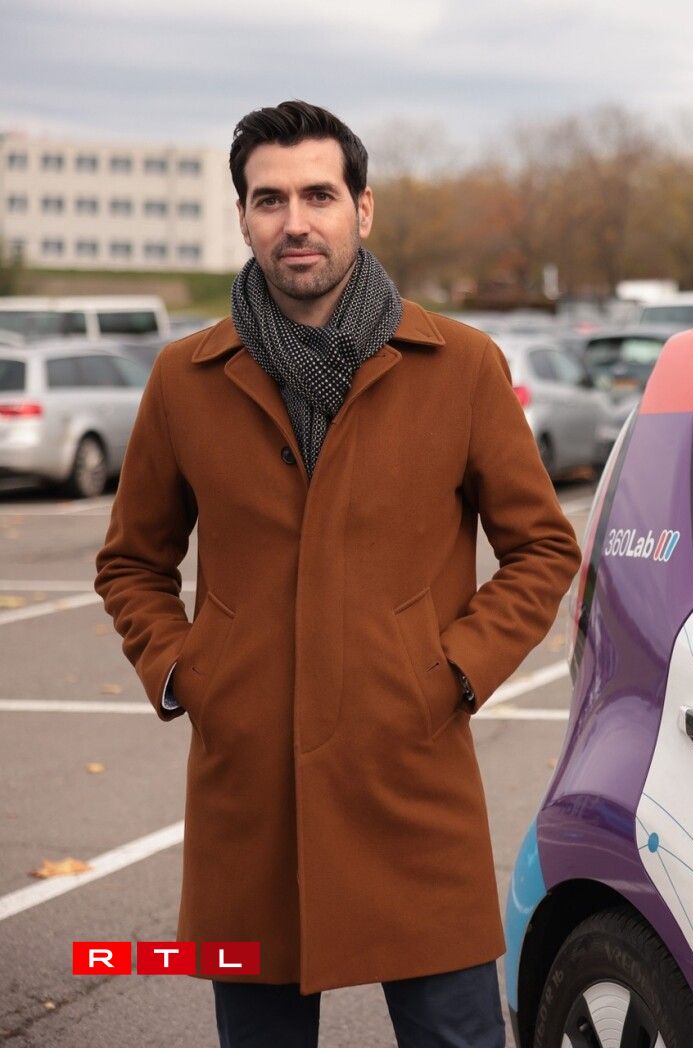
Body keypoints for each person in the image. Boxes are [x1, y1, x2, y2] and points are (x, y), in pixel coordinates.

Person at [93, 100, 582, 1048]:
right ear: (243, 217)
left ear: (363, 208)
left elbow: (542, 548)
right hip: (251, 805)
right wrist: (190, 674)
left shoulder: (461, 365)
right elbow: (131, 561)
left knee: (459, 1037)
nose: (295, 220)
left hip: (410, 785)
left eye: (318, 193)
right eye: (268, 199)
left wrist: (448, 675)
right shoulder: (184, 379)